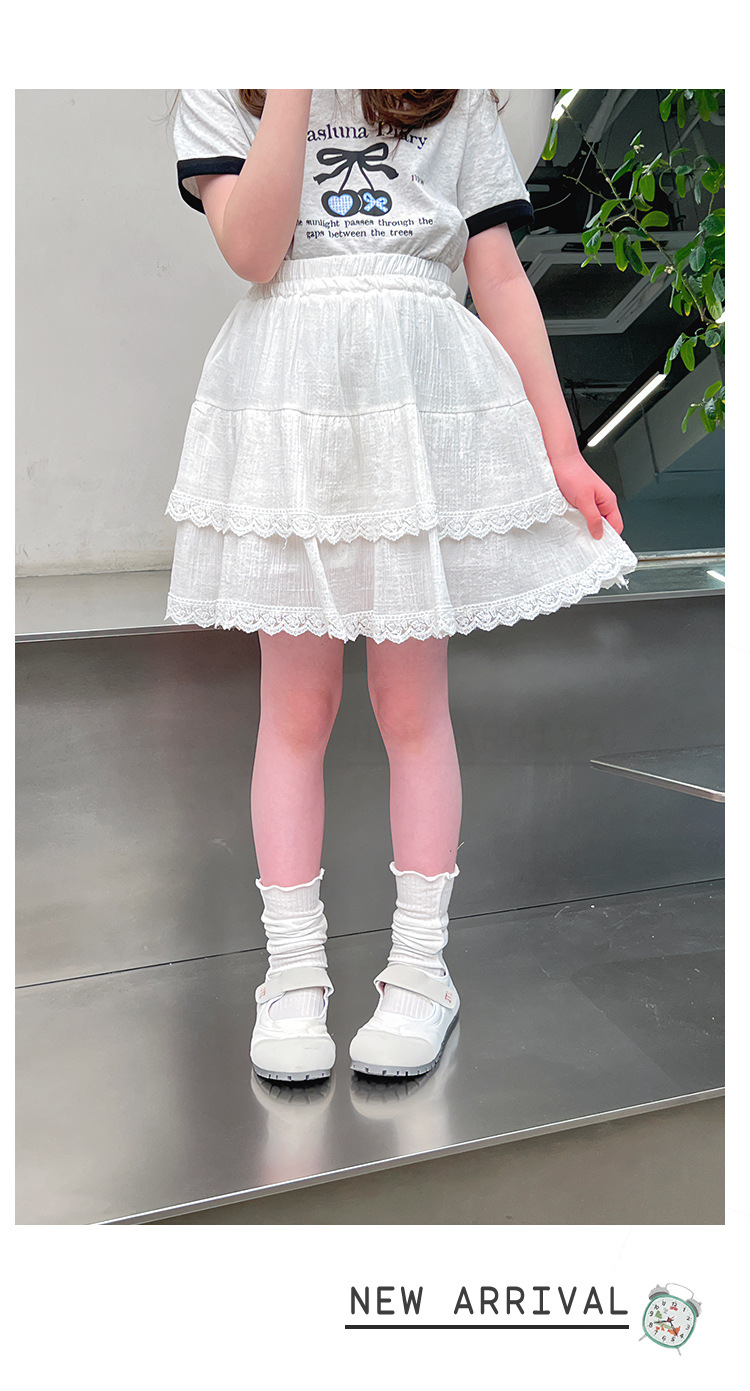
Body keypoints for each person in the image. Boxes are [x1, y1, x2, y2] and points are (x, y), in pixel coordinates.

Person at [164, 89, 638, 1084]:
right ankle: (292, 973)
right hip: (294, 410)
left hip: (415, 410)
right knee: (296, 708)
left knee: (411, 704)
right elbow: (253, 251)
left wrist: (561, 448)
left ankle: (421, 969)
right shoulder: (224, 85)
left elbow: (495, 272)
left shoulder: (444, 88)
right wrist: (293, 78)